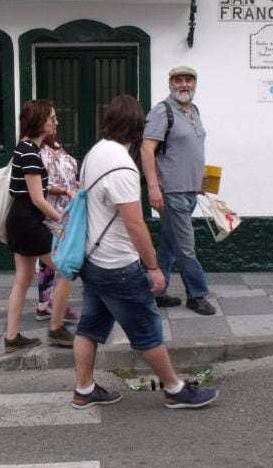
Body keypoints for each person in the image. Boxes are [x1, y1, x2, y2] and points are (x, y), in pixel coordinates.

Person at [72, 95, 219, 409]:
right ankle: (174, 388)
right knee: (147, 329)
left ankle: (84, 389)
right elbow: (135, 225)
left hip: (92, 258)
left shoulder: (95, 152)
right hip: (116, 265)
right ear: (139, 129)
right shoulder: (123, 166)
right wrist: (153, 267)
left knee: (90, 326)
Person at [140, 66, 216, 316]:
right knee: (185, 247)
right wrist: (153, 188)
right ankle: (197, 295)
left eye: (189, 80)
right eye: (178, 80)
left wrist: (201, 183)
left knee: (169, 247)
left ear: (195, 83)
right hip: (171, 192)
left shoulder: (194, 110)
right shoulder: (162, 111)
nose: (184, 85)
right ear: (170, 83)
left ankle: (155, 292)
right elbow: (147, 149)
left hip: (191, 191)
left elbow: (191, 151)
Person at [4, 100, 75, 352]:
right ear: (38, 121)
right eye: (52, 118)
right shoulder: (31, 153)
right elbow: (37, 199)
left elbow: (35, 193)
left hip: (20, 221)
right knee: (67, 269)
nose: (56, 122)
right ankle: (56, 329)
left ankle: (12, 337)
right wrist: (63, 220)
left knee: (22, 280)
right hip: (28, 222)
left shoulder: (22, 148)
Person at [35, 133, 79, 324]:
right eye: (52, 119)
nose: (56, 124)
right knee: (61, 259)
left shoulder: (56, 145)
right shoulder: (37, 151)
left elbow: (66, 172)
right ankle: (55, 304)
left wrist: (75, 185)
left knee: (49, 261)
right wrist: (64, 190)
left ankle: (44, 305)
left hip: (65, 209)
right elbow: (43, 185)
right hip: (51, 212)